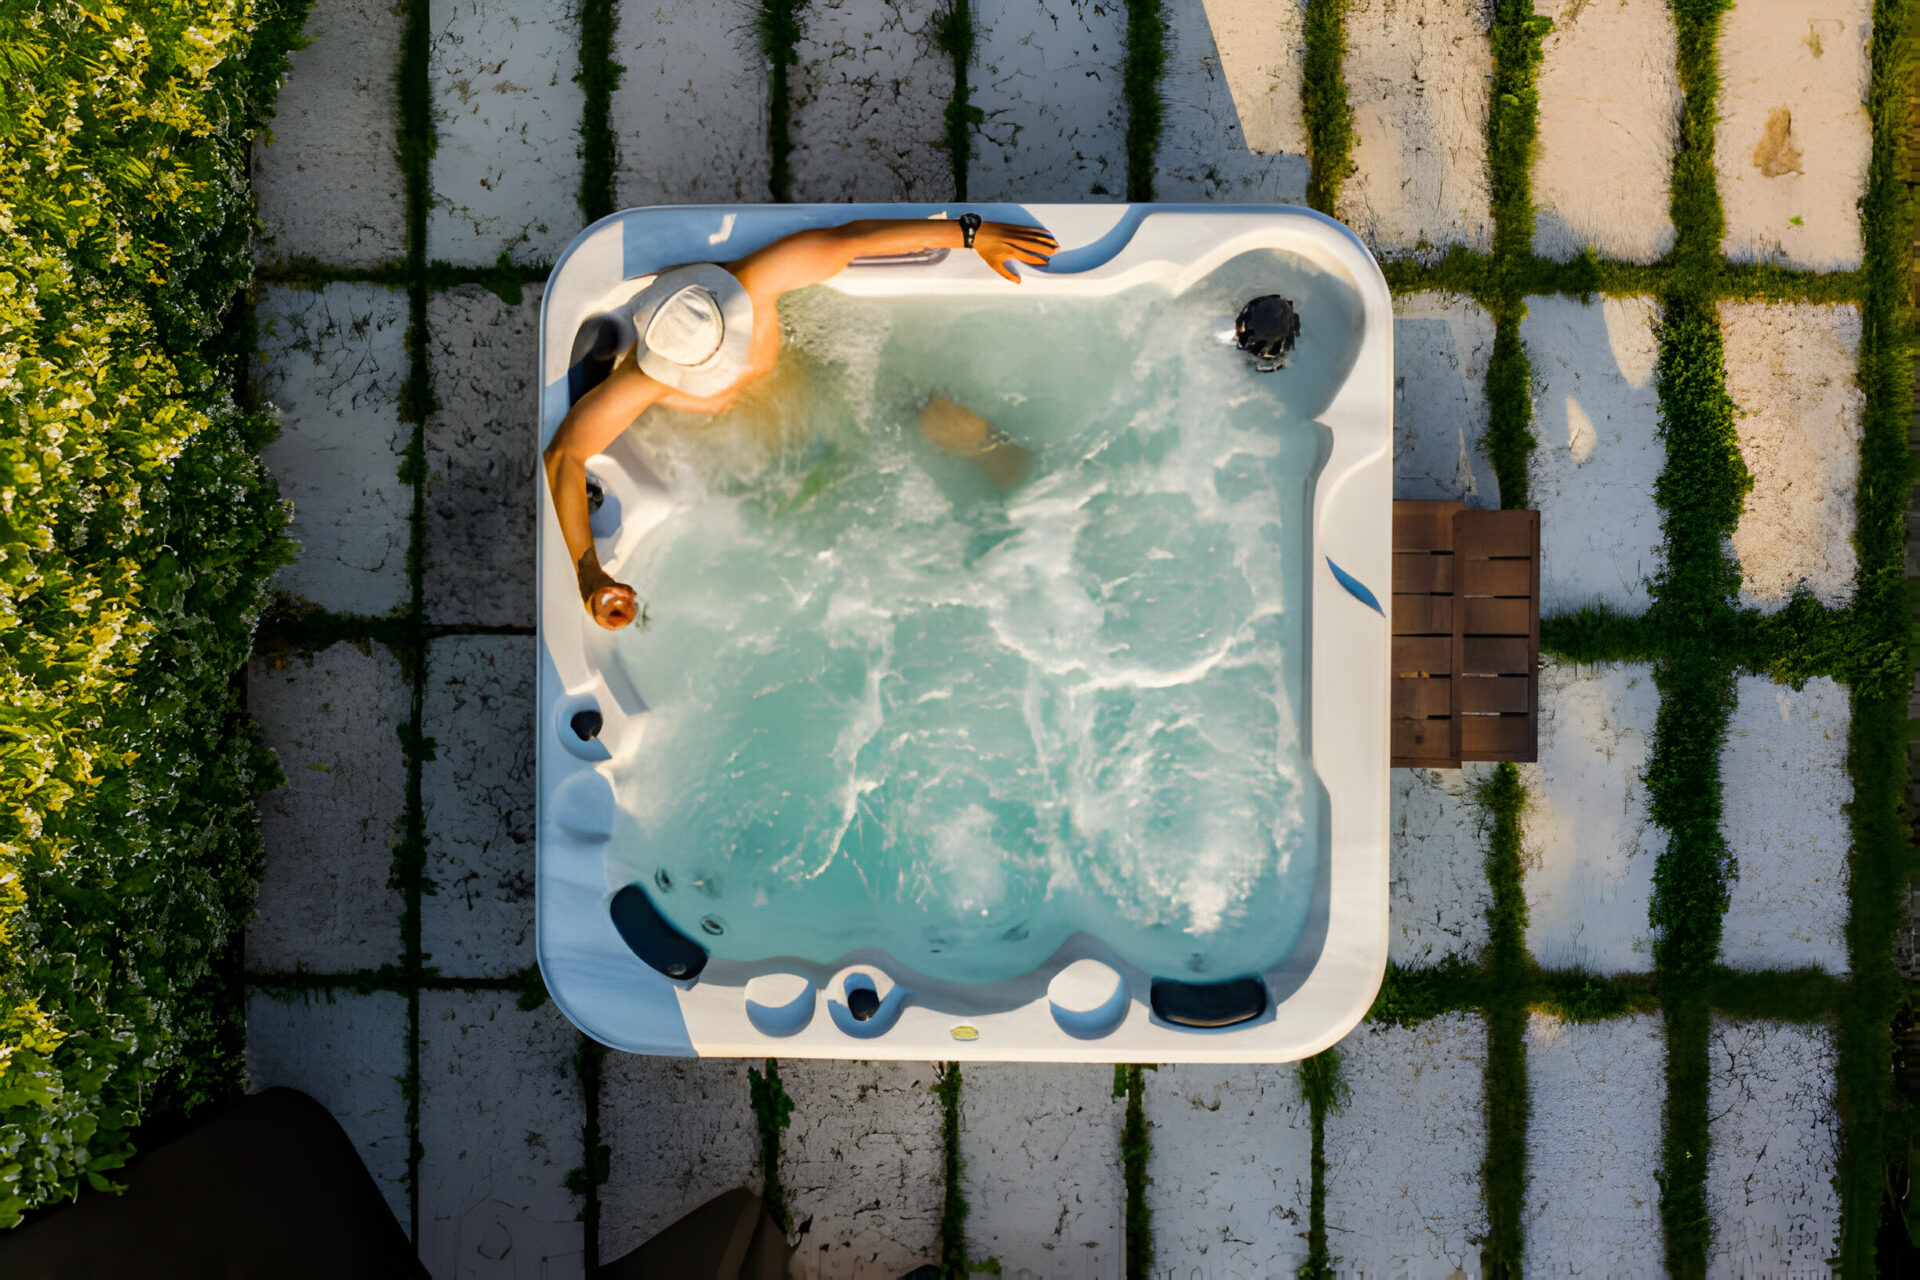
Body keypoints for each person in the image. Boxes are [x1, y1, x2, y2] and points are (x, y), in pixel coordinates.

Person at [543, 214, 1061, 630]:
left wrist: (974, 234)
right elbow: (565, 455)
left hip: (826, 396)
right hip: (760, 466)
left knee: (955, 423)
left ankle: (1038, 500)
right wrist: (591, 573)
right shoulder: (645, 376)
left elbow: (850, 239)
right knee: (817, 550)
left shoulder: (753, 282)